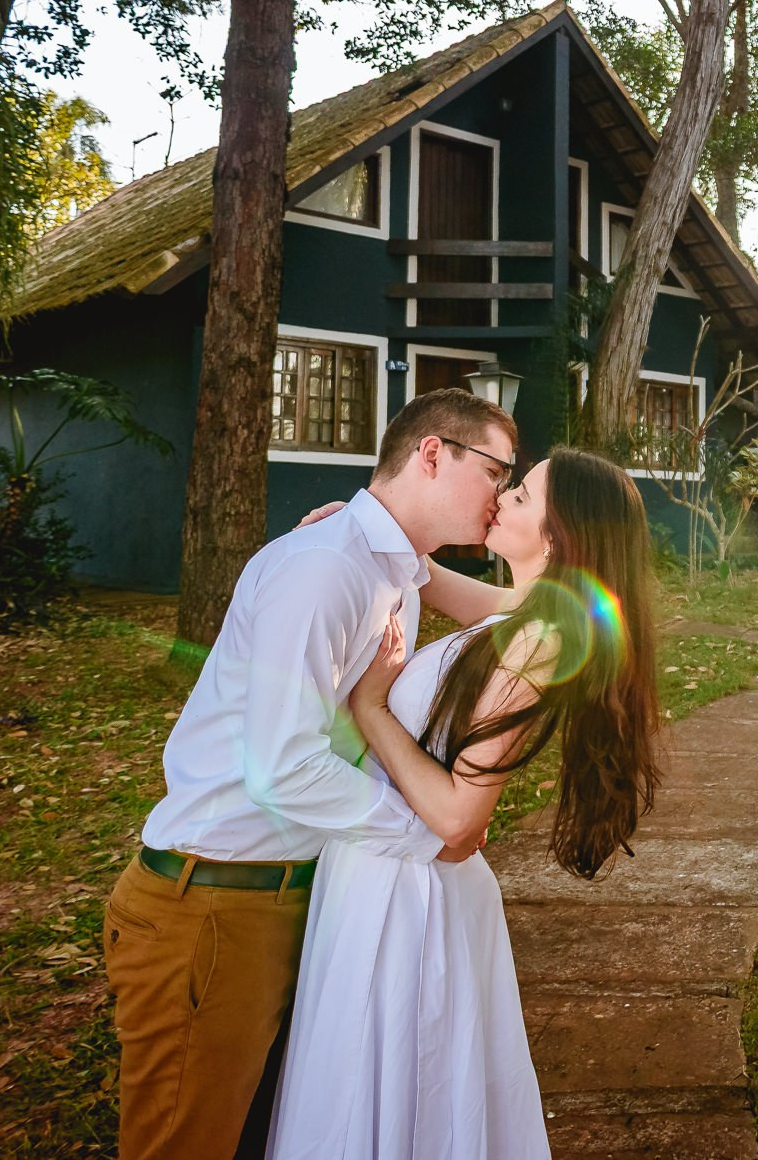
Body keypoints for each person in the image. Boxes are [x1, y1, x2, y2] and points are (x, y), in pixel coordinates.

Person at [102, 389, 519, 1160]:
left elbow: (533, 606)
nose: (501, 494)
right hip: (215, 903)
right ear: (432, 452)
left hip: (293, 897)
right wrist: (428, 832)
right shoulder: (328, 568)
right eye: (496, 470)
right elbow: (283, 766)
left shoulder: (395, 569)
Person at [267, 447, 663, 1160]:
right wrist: (361, 531)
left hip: (410, 895)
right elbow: (429, 575)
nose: (503, 498)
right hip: (384, 872)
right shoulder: (530, 614)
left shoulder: (543, 642)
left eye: (523, 495)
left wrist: (372, 708)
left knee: (388, 1100)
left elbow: (458, 817)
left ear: (559, 534)